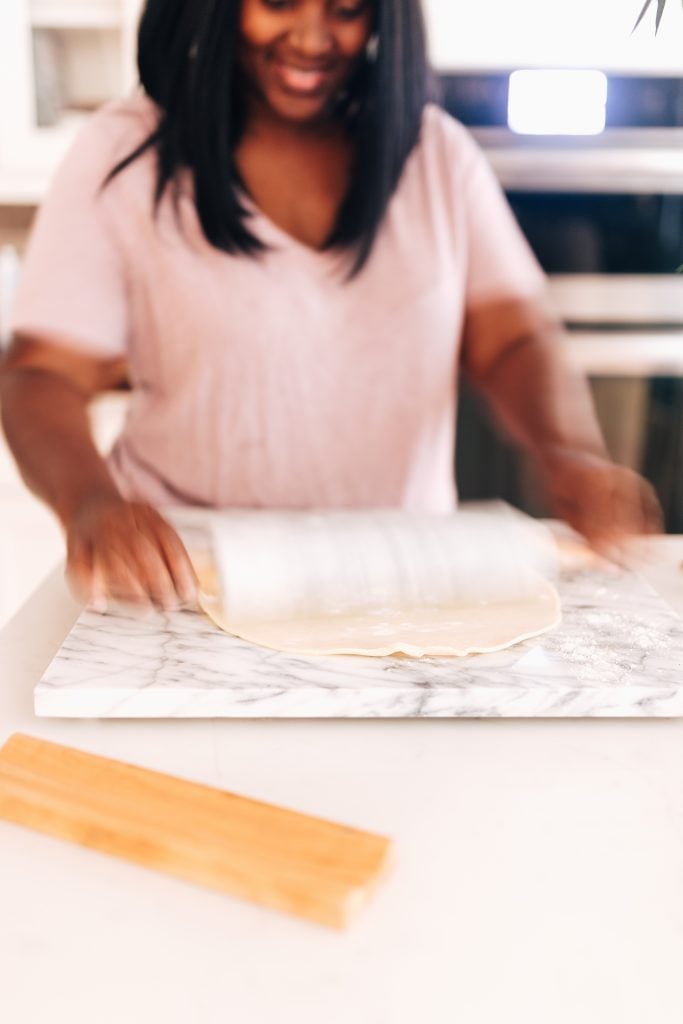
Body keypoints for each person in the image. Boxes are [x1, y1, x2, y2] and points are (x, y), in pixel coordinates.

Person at [0, 0, 660, 612]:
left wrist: (567, 452)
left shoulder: (434, 154)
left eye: (345, 9)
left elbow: (510, 338)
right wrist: (89, 502)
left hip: (404, 569)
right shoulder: (128, 152)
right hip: (185, 569)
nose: (314, 38)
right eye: (280, 2)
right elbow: (42, 376)